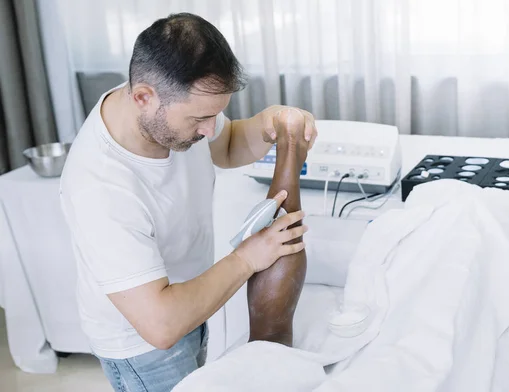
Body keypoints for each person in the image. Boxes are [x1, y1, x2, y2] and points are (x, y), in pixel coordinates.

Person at [59, 12, 317, 392]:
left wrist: (270, 123)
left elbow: (228, 145)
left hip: (187, 304)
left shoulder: (165, 101)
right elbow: (161, 325)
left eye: (216, 114)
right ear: (143, 97)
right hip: (143, 347)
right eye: (201, 118)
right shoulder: (99, 187)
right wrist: (248, 257)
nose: (211, 129)